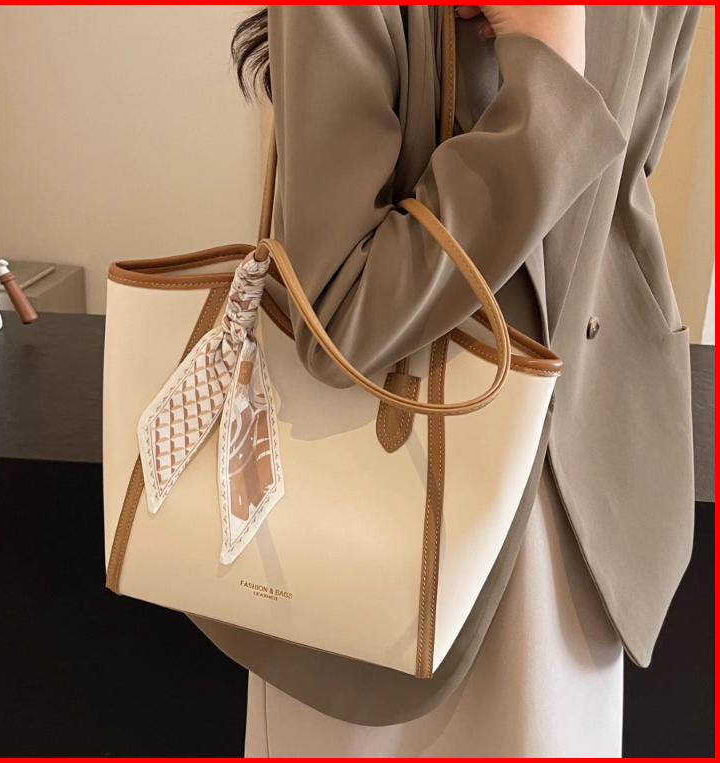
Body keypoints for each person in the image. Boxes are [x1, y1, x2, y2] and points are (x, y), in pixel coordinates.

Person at [190, 5, 701, 757]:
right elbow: (340, 311)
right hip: (390, 510)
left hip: (561, 505)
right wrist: (549, 89)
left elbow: (619, 166)